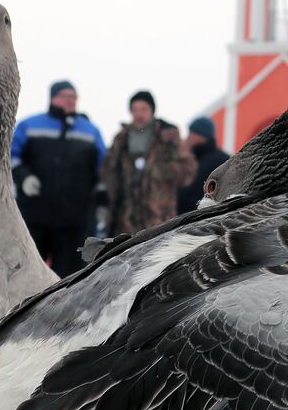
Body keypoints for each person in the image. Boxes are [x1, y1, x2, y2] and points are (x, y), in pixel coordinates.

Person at [11, 79, 107, 277]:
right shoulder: (29, 126)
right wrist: (24, 177)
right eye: (65, 96)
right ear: (53, 98)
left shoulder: (90, 131)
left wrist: (102, 201)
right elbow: (11, 156)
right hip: (34, 216)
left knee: (70, 278)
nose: (70, 101)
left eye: (73, 97)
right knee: (28, 273)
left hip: (74, 220)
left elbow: (103, 169)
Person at [102, 90, 196, 236]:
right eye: (135, 110)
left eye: (143, 109)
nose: (139, 114)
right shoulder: (121, 139)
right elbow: (107, 170)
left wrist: (159, 170)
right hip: (124, 221)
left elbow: (188, 170)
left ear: (152, 110)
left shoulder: (168, 136)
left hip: (157, 219)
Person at [177, 116, 230, 214]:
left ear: (201, 135)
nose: (188, 137)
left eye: (191, 133)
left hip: (205, 218)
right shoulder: (193, 158)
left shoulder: (220, 160)